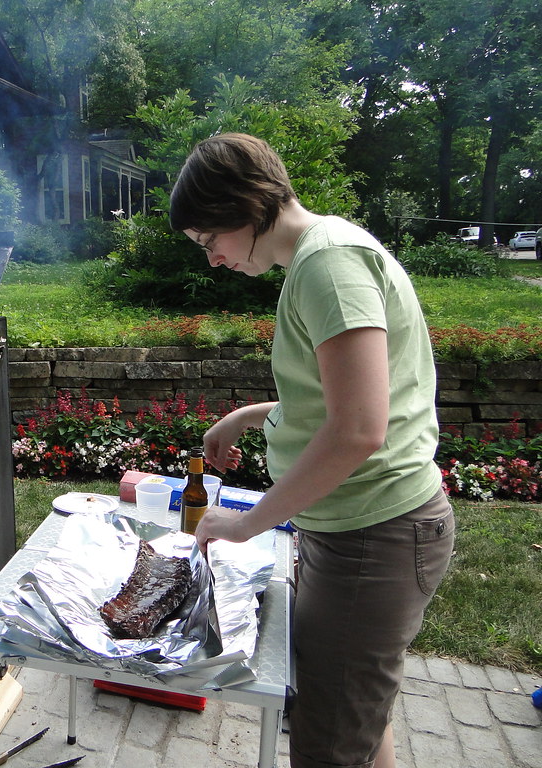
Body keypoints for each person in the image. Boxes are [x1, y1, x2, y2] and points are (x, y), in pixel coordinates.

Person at [169, 133, 454, 768]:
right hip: (357, 531)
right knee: (353, 714)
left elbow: (359, 430)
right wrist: (249, 415)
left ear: (243, 210)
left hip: (375, 535)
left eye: (209, 242)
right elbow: (347, 403)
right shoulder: (322, 257)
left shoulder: (329, 264)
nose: (212, 260)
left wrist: (246, 524)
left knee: (329, 741)